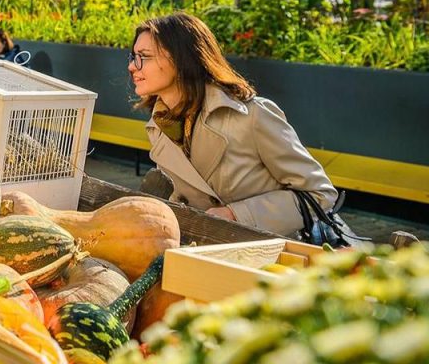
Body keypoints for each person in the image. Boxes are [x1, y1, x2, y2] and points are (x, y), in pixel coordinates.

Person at [129, 13, 339, 236]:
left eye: (144, 56)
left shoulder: (251, 115)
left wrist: (236, 215)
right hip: (204, 255)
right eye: (133, 57)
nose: (133, 66)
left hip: (267, 257)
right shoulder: (160, 125)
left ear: (182, 59)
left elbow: (319, 194)